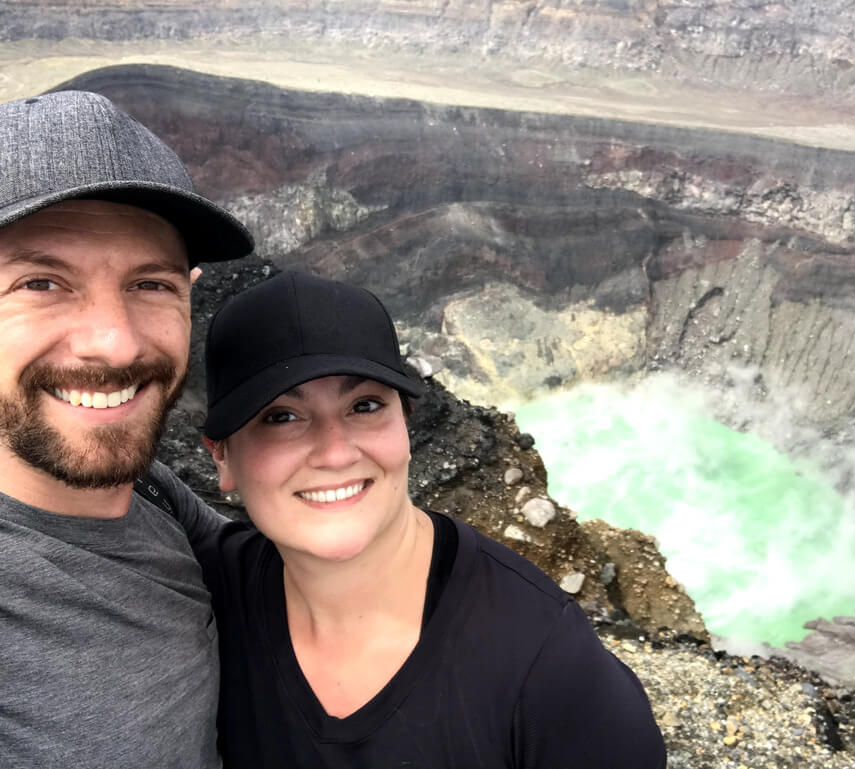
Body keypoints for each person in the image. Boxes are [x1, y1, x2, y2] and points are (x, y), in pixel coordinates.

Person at [170, 270, 667, 767]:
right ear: (222, 457)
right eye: (281, 416)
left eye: (364, 405)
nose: (336, 452)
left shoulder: (552, 676)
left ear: (405, 424)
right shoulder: (194, 596)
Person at [0, 90, 253, 768]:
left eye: (151, 285)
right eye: (41, 283)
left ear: (191, 295)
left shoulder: (149, 489)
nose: (113, 343)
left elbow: (261, 565)